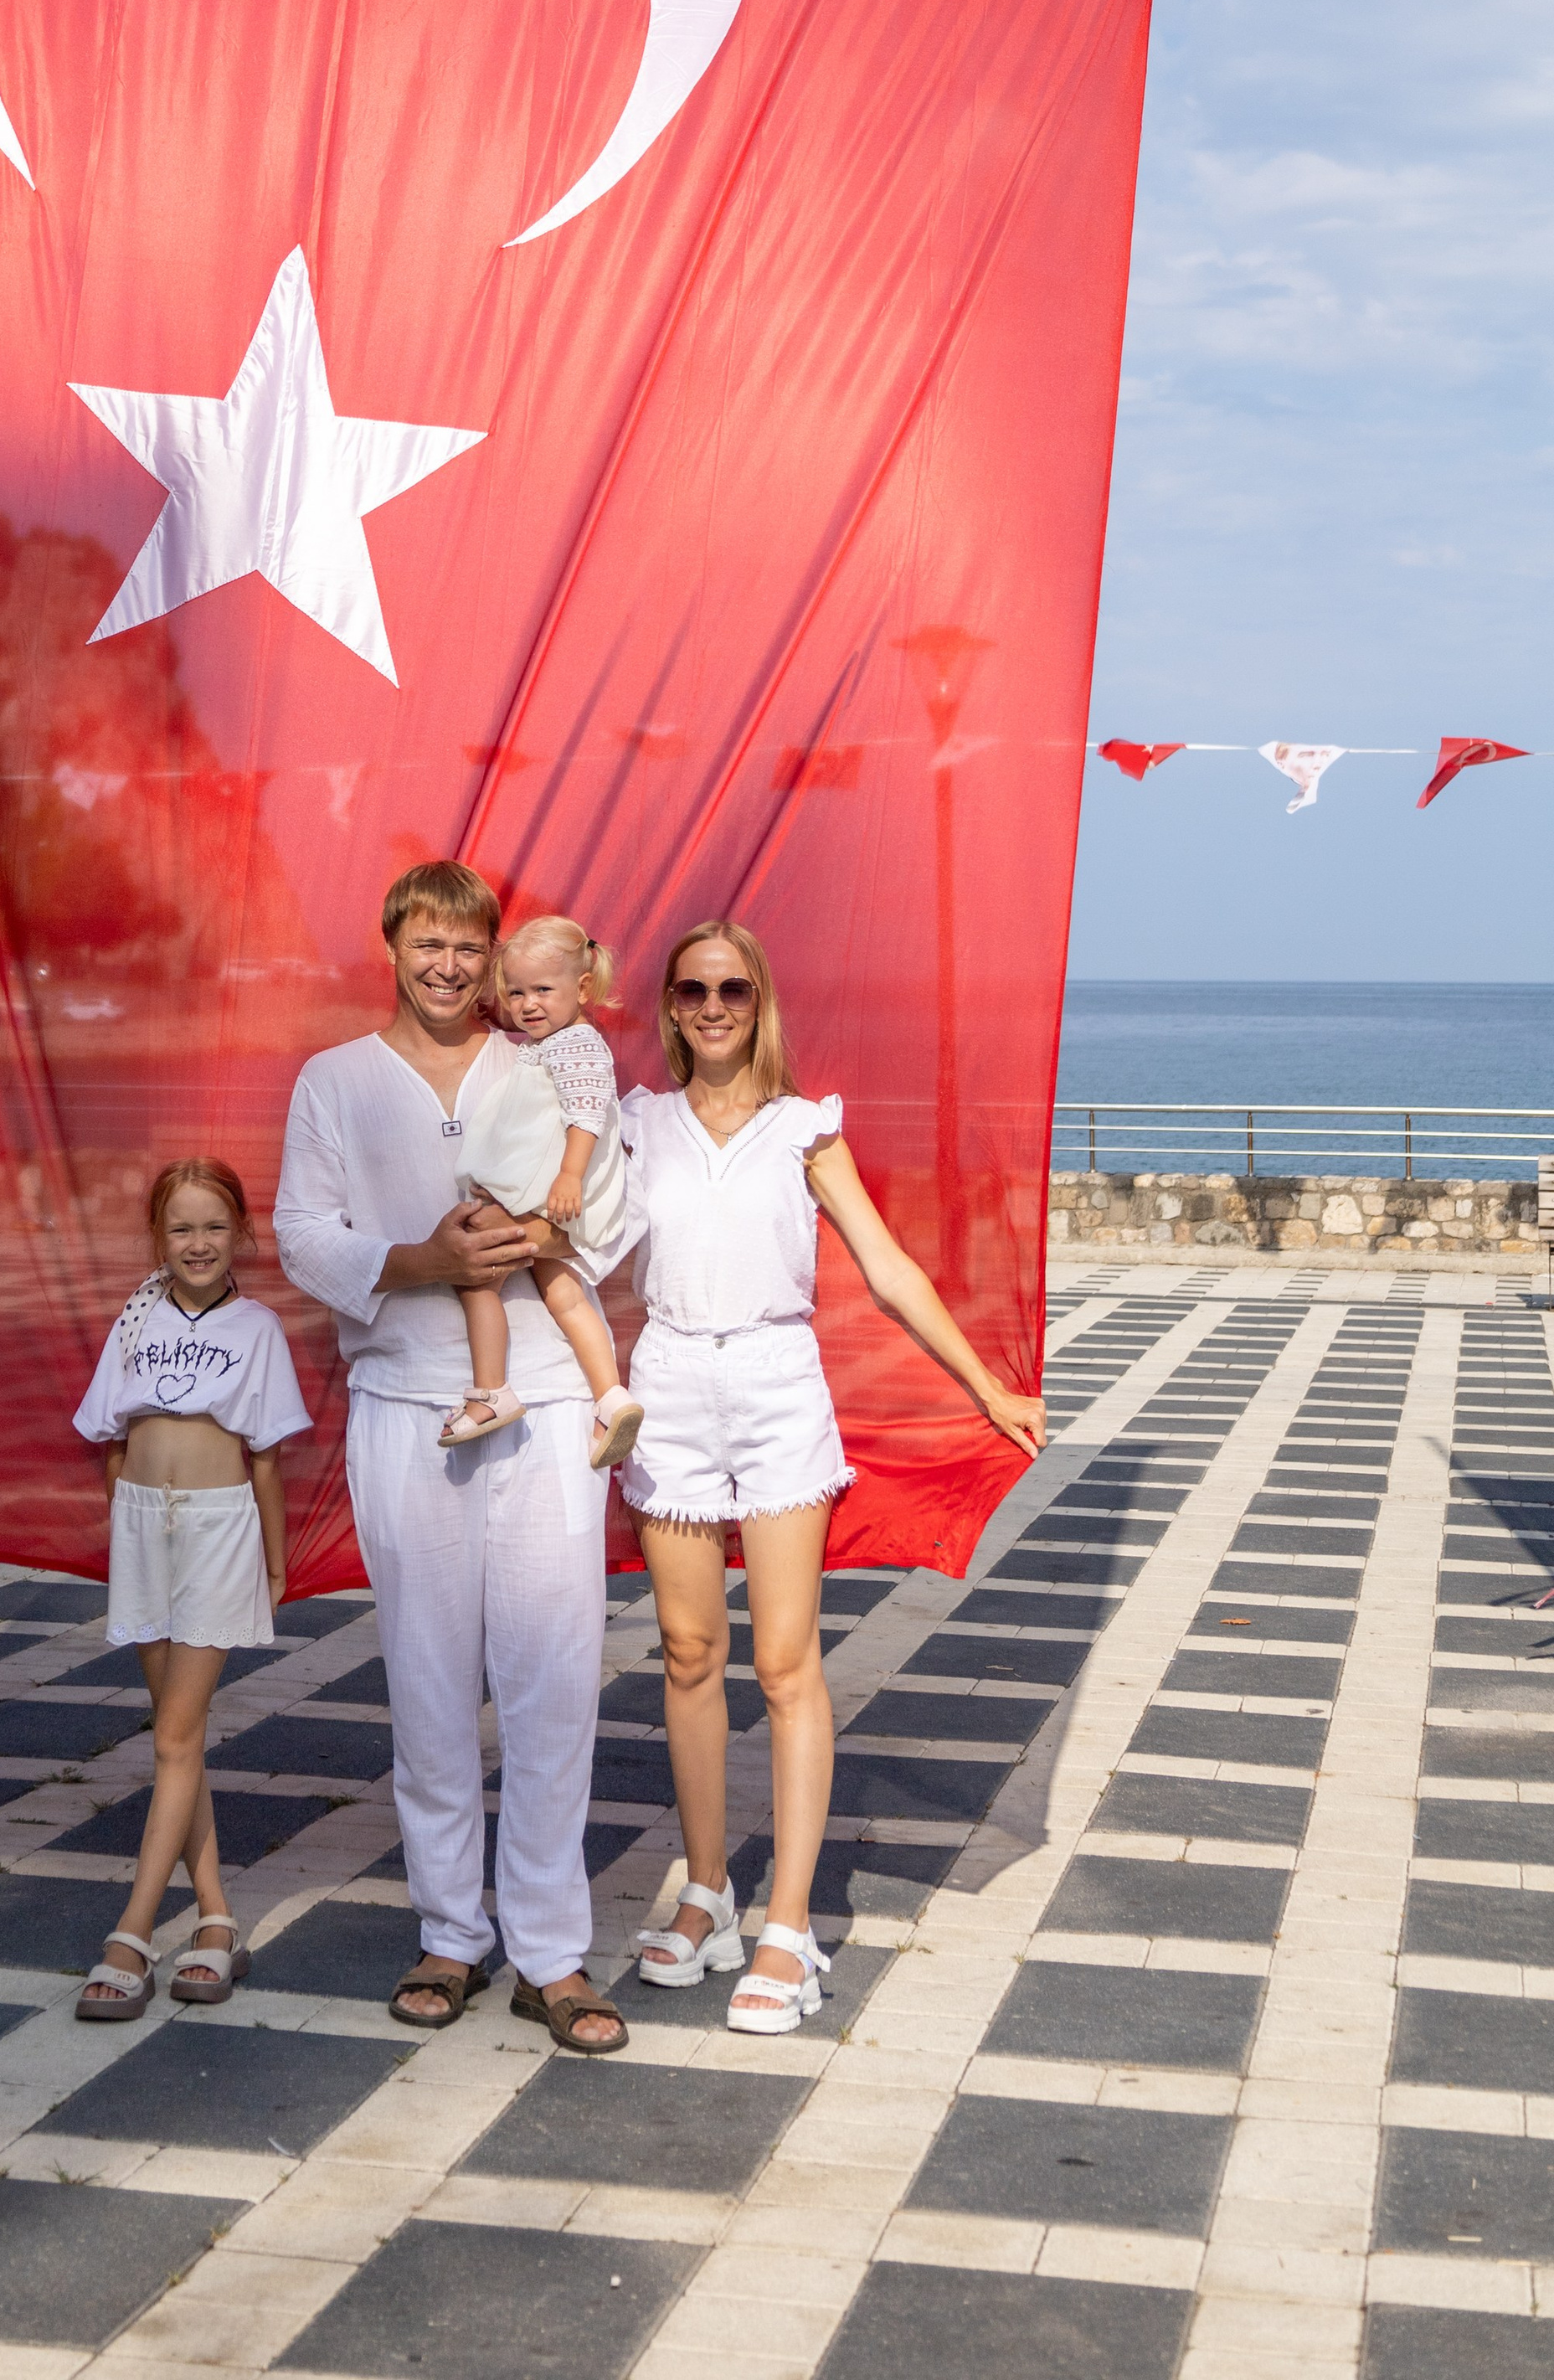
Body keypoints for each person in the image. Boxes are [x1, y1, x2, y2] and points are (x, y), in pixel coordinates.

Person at [624, 920, 1044, 2035]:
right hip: (666, 1381)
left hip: (772, 1386)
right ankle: (707, 1892)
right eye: (693, 989)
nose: (714, 1007)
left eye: (734, 989)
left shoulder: (804, 1132)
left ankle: (789, 1926)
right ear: (668, 1006)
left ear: (762, 1002)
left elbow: (889, 1267)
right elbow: (558, 1237)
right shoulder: (632, 1126)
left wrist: (985, 1384)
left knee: (782, 1657)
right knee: (687, 1652)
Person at [275, 861, 634, 2055]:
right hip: (404, 1403)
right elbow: (301, 1233)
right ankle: (448, 1931)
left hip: (535, 1402)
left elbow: (614, 1204)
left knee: (554, 1677)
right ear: (391, 944)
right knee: (428, 1681)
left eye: (468, 948)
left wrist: (543, 1230)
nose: (449, 966)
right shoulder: (334, 1083)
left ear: (493, 959)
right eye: (428, 943)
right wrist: (424, 1265)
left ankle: (550, 1947)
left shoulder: (540, 1057)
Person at [71, 1157, 311, 2022]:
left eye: (215, 1226)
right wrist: (130, 1522)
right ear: (158, 1239)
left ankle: (133, 1930)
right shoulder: (135, 1320)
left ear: (240, 1233)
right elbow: (108, 1438)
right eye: (181, 1228)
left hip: (218, 1533)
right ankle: (215, 1922)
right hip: (145, 1531)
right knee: (183, 1737)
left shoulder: (256, 1329)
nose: (198, 1242)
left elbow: (268, 1458)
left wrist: (275, 1561)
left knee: (174, 1733)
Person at [441, 914, 642, 1469]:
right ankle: (610, 1398)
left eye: (543, 990)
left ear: (581, 990)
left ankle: (492, 1391)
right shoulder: (548, 1042)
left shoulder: (575, 1045)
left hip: (546, 1192)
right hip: (545, 1194)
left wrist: (569, 1176)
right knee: (565, 1296)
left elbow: (586, 1114)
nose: (528, 1004)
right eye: (516, 992)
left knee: (472, 1265)